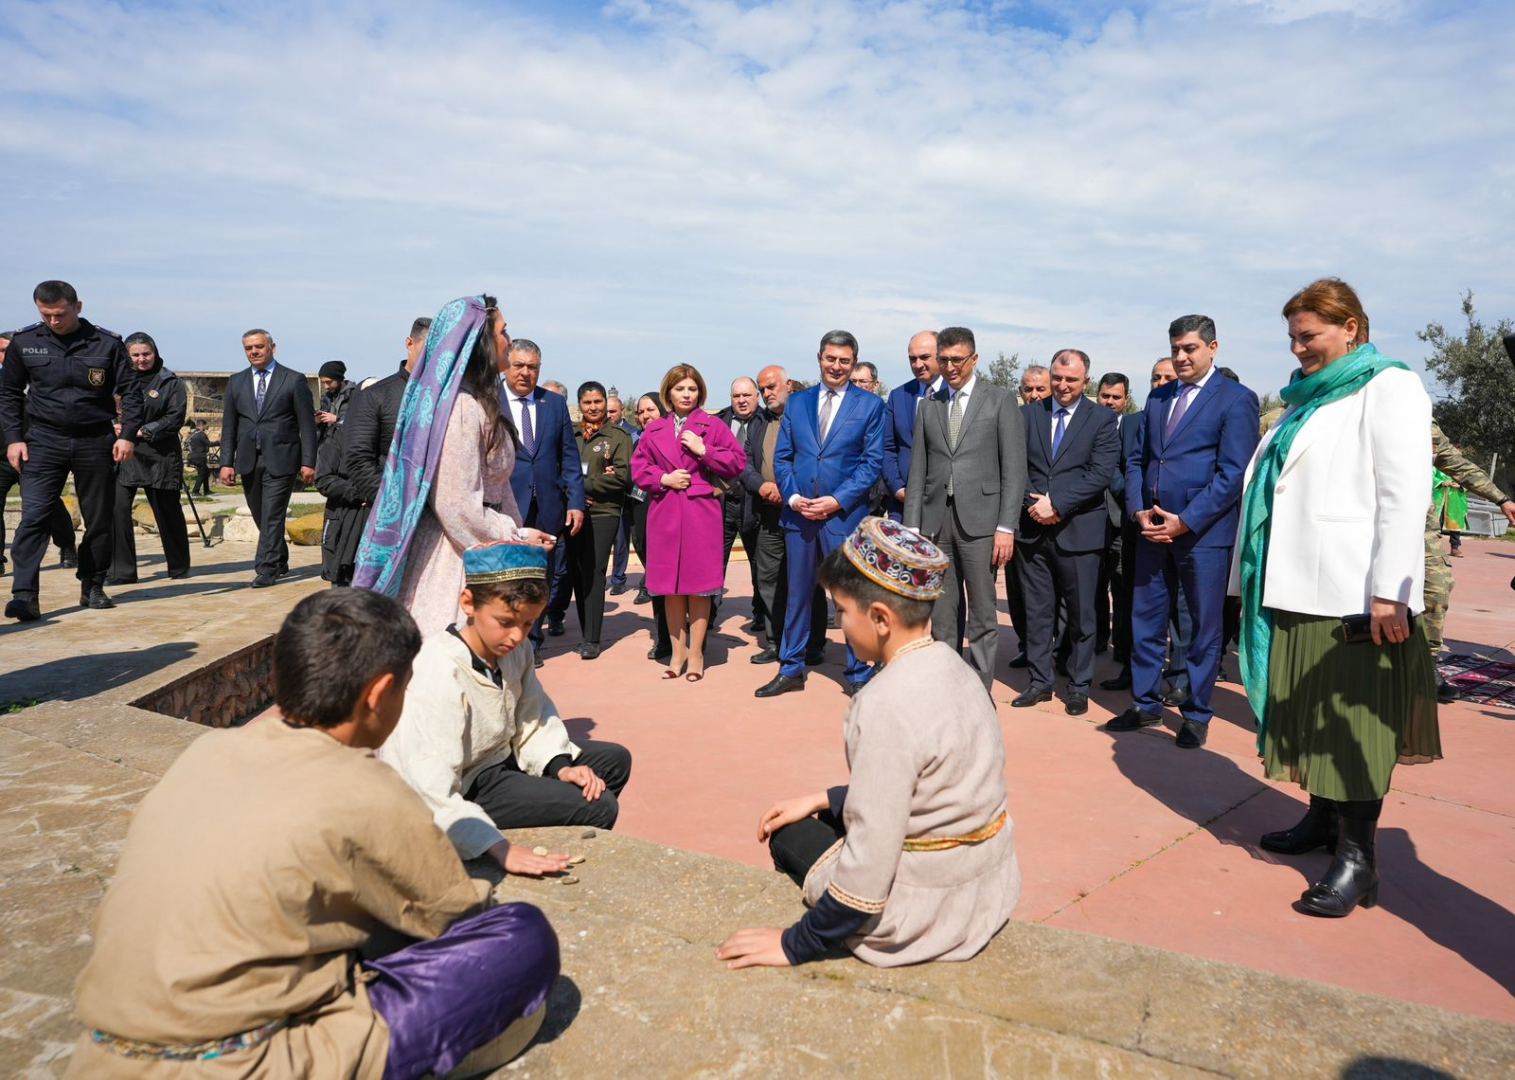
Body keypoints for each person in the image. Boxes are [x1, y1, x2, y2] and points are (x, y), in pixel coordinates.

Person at [67, 588, 561, 1080]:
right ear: (378, 695)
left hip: (104, 1053)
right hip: (250, 1062)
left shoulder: (205, 754)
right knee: (522, 937)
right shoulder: (369, 788)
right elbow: (454, 918)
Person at [716, 518, 1019, 969]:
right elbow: (932, 784)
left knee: (788, 835)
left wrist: (793, 944)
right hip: (987, 888)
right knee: (815, 814)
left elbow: (869, 868)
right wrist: (826, 798)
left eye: (841, 611)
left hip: (928, 916)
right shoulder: (959, 670)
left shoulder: (883, 703)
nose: (839, 623)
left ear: (879, 618)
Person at [1234, 277, 1439, 919]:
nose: (1298, 348)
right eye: (1293, 337)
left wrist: (1391, 592)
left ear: (1350, 327)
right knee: (1311, 720)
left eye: (1310, 335)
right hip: (1297, 587)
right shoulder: (1307, 401)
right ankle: (1322, 821)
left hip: (1355, 596)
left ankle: (1359, 861)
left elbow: (1405, 493)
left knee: (1354, 731)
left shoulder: (1389, 385)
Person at [380, 542, 634, 856]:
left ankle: (549, 833)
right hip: (467, 785)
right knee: (598, 806)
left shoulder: (517, 650)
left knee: (613, 762)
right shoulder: (438, 670)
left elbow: (533, 713)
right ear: (468, 603)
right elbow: (428, 782)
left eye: (528, 624)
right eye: (506, 622)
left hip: (504, 757)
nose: (517, 636)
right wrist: (492, 846)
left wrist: (560, 767)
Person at [355, 296, 552, 641]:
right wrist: (515, 535)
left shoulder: (477, 402)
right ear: (483, 343)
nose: (509, 339)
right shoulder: (461, 408)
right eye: (504, 332)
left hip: (483, 546)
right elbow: (455, 504)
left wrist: (517, 535)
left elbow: (496, 487)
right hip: (456, 559)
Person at [1105, 316, 1259, 749]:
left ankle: (1196, 713)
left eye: (1190, 348)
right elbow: (1135, 461)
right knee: (1145, 621)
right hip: (1151, 531)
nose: (1181, 357)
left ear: (1213, 347)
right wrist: (1138, 511)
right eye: (1176, 348)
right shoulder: (1157, 399)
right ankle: (1146, 704)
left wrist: (1186, 519)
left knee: (1202, 628)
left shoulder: (1236, 400)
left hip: (1202, 536)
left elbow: (1233, 474)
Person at [756, 331, 887, 698]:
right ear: (819, 358)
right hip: (799, 517)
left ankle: (859, 674)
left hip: (842, 517)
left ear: (853, 362)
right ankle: (791, 668)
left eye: (844, 360)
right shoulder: (797, 403)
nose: (837, 366)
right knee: (797, 595)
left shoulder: (870, 406)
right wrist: (794, 498)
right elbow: (783, 457)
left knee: (847, 598)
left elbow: (871, 463)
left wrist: (836, 500)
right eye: (831, 358)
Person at [2, 281, 141, 620]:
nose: (53, 321)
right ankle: (24, 595)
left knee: (98, 518)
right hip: (43, 440)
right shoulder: (26, 342)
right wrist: (13, 438)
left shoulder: (106, 344)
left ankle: (92, 584)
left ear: (77, 307)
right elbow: (7, 393)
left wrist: (128, 436)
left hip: (94, 440)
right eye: (46, 314)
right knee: (34, 516)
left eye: (60, 314)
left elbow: (131, 393)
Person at [903, 326, 1025, 690]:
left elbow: (1014, 469)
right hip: (936, 524)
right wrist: (912, 527)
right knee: (942, 614)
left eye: (958, 359)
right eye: (944, 360)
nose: (951, 366)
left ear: (974, 359)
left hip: (983, 525)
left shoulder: (1000, 400)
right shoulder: (929, 406)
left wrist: (1006, 527)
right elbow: (918, 470)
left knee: (984, 614)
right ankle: (947, 686)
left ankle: (978, 690)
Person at [1012, 349, 1119, 715]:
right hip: (1032, 530)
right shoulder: (1027, 415)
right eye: (1057, 377)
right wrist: (1033, 503)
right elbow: (1014, 466)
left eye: (1071, 379)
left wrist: (1056, 503)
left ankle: (1078, 685)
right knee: (1038, 613)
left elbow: (1099, 473)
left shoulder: (1102, 420)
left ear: (1085, 381)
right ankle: (1040, 682)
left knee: (1081, 616)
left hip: (1080, 532)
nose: (1062, 385)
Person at [630, 364, 748, 681]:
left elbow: (737, 461)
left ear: (700, 393)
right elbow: (638, 470)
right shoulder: (653, 430)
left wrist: (704, 450)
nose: (686, 394)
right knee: (670, 588)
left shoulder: (712, 426)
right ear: (669, 392)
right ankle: (676, 652)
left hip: (701, 513)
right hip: (665, 512)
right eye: (680, 388)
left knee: (698, 588)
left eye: (692, 389)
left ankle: (696, 653)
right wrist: (664, 477)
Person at [218, 328, 318, 588]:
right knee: (259, 514)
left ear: (272, 347)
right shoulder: (236, 382)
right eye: (248, 348)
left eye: (259, 347)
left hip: (282, 458)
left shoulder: (293, 380)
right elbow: (229, 426)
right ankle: (280, 557)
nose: (254, 352)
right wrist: (226, 462)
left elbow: (306, 425)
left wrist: (309, 461)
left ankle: (266, 568)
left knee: (273, 514)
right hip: (249, 459)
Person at [502, 339, 585, 645]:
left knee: (540, 577)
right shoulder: (488, 400)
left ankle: (532, 641)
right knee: (508, 575)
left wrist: (576, 501)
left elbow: (569, 458)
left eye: (532, 367)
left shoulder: (554, 404)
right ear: (506, 366)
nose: (525, 372)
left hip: (548, 505)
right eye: (519, 365)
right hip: (505, 505)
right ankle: (507, 638)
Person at [1425, 421, 1515, 700]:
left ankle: (1427, 669)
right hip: (1363, 524)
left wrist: (1501, 499)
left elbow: (1458, 465)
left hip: (1418, 527)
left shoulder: (1422, 421)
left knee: (1437, 589)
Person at [108, 332, 191, 584]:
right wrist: (112, 425)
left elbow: (174, 417)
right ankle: (121, 571)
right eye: (135, 355)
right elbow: (99, 407)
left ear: (154, 353)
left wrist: (142, 431)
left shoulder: (170, 382)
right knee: (117, 509)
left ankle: (178, 565)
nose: (141, 359)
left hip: (159, 453)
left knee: (167, 510)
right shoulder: (114, 380)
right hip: (123, 453)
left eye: (146, 354)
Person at [0, 329, 79, 576]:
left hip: (37, 453)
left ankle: (66, 544)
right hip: (2, 455)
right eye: (1, 351)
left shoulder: (44, 377)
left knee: (48, 506)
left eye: (7, 350)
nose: (4, 356)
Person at [568, 381, 633, 659]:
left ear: (606, 403)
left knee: (594, 572)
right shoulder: (571, 436)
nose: (593, 407)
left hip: (603, 513)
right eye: (587, 402)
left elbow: (621, 477)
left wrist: (582, 486)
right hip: (572, 512)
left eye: (598, 402)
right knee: (576, 573)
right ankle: (585, 629)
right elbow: (560, 470)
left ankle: (592, 639)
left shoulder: (618, 437)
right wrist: (577, 492)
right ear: (579, 405)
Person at [345, 316, 432, 515]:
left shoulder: (451, 396)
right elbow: (358, 459)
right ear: (409, 343)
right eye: (428, 348)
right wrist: (394, 503)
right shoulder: (376, 395)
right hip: (393, 511)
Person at [1095, 373, 1139, 690]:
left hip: (1124, 521)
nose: (1109, 402)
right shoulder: (1089, 424)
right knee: (1092, 587)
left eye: (1116, 397)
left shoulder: (1134, 427)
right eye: (1105, 396)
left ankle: (1123, 651)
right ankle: (1097, 640)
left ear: (1126, 398)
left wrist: (1127, 496)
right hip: (1091, 521)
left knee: (1122, 590)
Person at [715, 376, 765, 631]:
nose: (742, 401)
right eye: (737, 396)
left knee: (759, 563)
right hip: (722, 504)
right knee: (714, 561)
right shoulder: (719, 422)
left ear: (757, 396)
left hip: (755, 505)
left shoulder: (767, 422)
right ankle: (710, 611)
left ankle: (760, 612)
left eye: (747, 395)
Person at [882, 330, 944, 521]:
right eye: (912, 359)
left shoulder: (957, 395)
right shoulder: (898, 396)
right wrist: (898, 488)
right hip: (903, 507)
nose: (918, 365)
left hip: (946, 508)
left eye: (924, 357)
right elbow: (887, 447)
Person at [630, 392, 673, 662]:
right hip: (639, 513)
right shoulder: (637, 441)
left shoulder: (671, 439)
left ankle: (682, 638)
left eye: (650, 410)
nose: (645, 415)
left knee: (675, 581)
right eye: (641, 412)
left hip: (666, 515)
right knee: (656, 580)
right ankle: (664, 637)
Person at [606, 393, 638, 595]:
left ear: (622, 411)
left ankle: (618, 578)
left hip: (627, 495)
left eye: (613, 411)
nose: (608, 415)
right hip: (602, 495)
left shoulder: (633, 434)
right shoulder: (597, 431)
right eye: (606, 411)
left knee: (621, 538)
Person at [316, 360, 356, 441]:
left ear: (338, 379)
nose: (326, 386)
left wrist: (336, 419)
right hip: (327, 448)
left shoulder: (355, 395)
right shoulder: (326, 398)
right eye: (323, 383)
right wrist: (316, 421)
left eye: (329, 382)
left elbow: (360, 422)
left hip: (345, 446)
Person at [186, 419, 216, 497]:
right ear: (202, 425)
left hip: (193, 457)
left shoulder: (193, 434)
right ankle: (195, 491)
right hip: (200, 457)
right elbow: (209, 444)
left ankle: (207, 490)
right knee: (202, 474)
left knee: (206, 472)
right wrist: (219, 442)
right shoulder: (202, 434)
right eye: (206, 425)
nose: (207, 426)